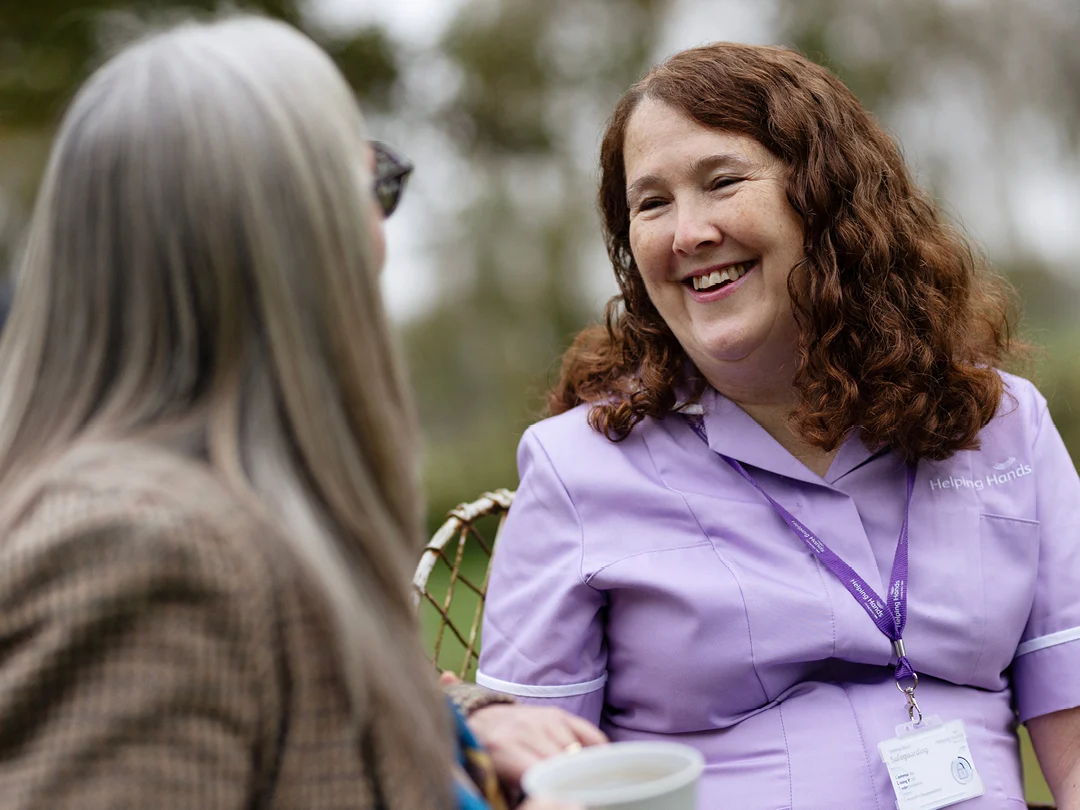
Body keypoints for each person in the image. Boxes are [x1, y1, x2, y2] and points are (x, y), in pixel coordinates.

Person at [0, 15, 600, 810]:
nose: (382, 235)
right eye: (368, 188)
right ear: (276, 238)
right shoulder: (141, 552)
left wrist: (461, 720)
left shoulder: (232, 503)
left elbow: (283, 692)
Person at [477, 42, 1080, 810]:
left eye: (722, 182)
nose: (686, 233)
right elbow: (534, 767)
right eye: (651, 203)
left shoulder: (1001, 425)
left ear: (827, 199)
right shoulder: (579, 467)